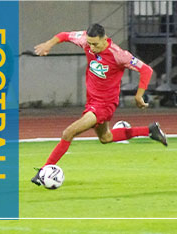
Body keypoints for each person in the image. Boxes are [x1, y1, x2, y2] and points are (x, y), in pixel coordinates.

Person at [31, 23, 168, 186]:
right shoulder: (86, 40)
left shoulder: (119, 55)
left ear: (105, 40)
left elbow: (146, 70)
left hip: (104, 105)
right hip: (92, 102)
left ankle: (44, 171)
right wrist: (49, 44)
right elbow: (64, 35)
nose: (91, 48)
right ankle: (149, 130)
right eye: (89, 44)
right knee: (106, 137)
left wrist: (139, 96)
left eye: (95, 44)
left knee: (69, 132)